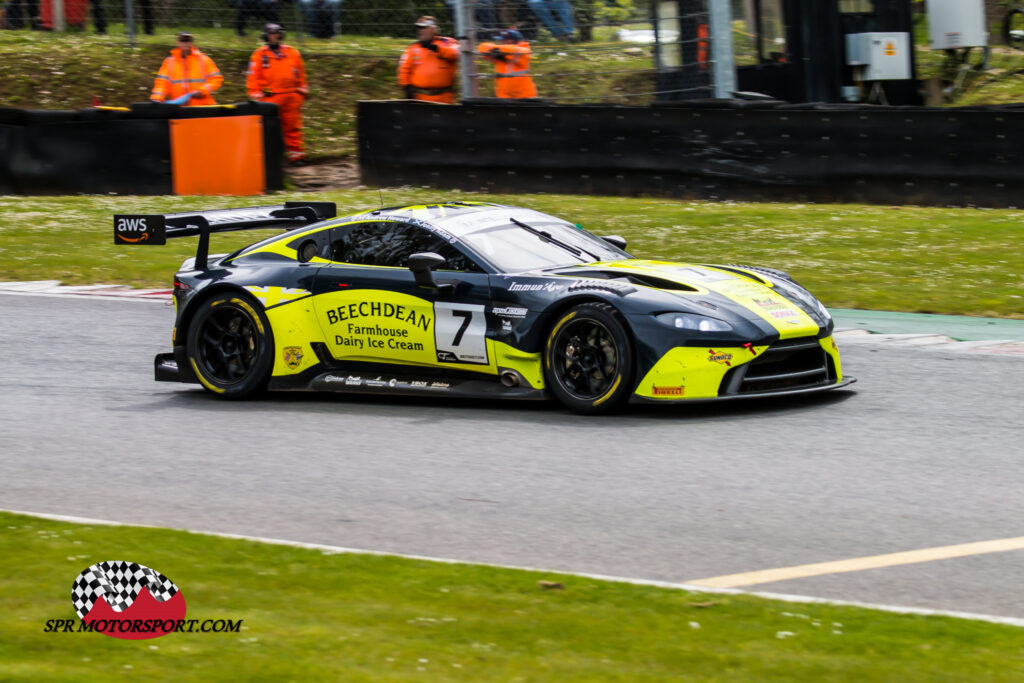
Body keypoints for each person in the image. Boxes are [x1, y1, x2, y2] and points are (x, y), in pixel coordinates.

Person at [247, 23, 309, 164]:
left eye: (277, 32)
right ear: (266, 36)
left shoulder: (292, 52)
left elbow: (301, 74)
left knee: (293, 127)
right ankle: (273, 160)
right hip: (270, 97)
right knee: (270, 130)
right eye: (272, 33)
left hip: (291, 95)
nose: (275, 35)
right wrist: (257, 96)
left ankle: (296, 156)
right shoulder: (259, 55)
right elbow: (253, 77)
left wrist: (301, 93)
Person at [397, 15, 460, 104]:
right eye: (418, 27)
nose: (420, 30)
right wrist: (406, 87)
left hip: (444, 98)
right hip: (419, 98)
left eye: (423, 27)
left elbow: (455, 54)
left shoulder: (447, 42)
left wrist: (436, 48)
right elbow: (403, 70)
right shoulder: (412, 49)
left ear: (434, 29)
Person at [150, 33, 224, 106]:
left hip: (201, 107)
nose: (186, 43)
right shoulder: (169, 62)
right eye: (183, 40)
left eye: (188, 40)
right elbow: (161, 83)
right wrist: (157, 98)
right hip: (178, 108)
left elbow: (216, 79)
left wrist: (202, 91)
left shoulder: (204, 60)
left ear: (192, 43)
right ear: (177, 43)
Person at [477, 28, 537, 99]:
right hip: (504, 94)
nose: (500, 41)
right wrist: (496, 50)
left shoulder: (525, 50)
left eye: (502, 40)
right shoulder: (499, 51)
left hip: (524, 94)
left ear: (510, 40)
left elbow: (515, 51)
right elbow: (482, 47)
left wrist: (498, 50)